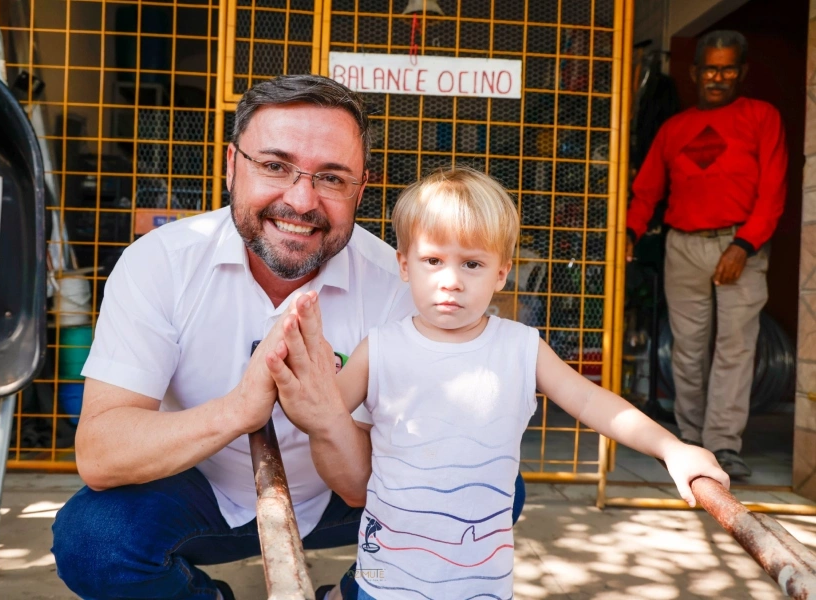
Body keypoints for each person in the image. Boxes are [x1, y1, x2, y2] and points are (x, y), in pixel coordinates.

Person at [50, 75, 525, 600]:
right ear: (232, 165)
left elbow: (368, 482)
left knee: (486, 491)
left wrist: (325, 419)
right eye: (275, 166)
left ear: (360, 190)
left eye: (332, 178)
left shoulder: (403, 287)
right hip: (201, 492)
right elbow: (99, 454)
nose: (301, 201)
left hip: (343, 495)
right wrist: (239, 409)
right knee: (93, 539)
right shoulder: (161, 263)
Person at [266, 167, 730, 599]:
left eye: (472, 264)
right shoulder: (380, 348)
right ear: (404, 265)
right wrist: (303, 376)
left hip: (481, 577)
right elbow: (321, 412)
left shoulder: (521, 348)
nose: (451, 281)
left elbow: (592, 401)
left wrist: (672, 449)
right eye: (433, 260)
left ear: (501, 273)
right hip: (386, 572)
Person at [625, 30, 787, 479]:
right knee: (688, 350)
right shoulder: (673, 128)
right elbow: (647, 191)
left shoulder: (761, 116)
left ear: (742, 72)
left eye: (728, 68)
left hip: (741, 245)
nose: (718, 77)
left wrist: (744, 245)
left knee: (735, 348)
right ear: (694, 73)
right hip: (683, 245)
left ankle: (724, 444)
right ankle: (693, 443)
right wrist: (631, 231)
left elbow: (774, 191)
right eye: (710, 68)